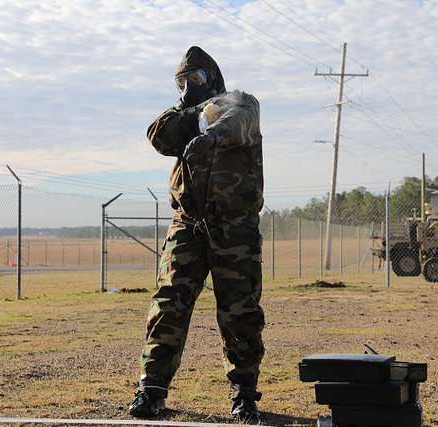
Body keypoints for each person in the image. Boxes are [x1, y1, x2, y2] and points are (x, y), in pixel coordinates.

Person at [129, 46, 265, 423]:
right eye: (182, 81)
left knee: (240, 311)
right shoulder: (185, 117)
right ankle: (151, 390)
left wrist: (212, 131)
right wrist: (192, 111)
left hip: (233, 227)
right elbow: (158, 135)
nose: (189, 85)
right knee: (168, 306)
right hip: (187, 224)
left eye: (197, 79)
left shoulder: (240, 103)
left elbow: (238, 120)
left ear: (213, 79)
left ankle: (244, 395)